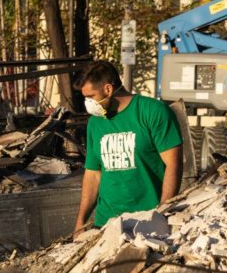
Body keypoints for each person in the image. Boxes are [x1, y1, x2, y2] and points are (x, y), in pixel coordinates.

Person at [73, 61, 183, 236]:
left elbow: (173, 165)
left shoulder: (152, 111)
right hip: (107, 224)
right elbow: (93, 174)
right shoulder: (95, 123)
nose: (88, 103)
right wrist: (80, 224)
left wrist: (162, 213)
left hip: (146, 222)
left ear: (108, 89)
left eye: (91, 96)